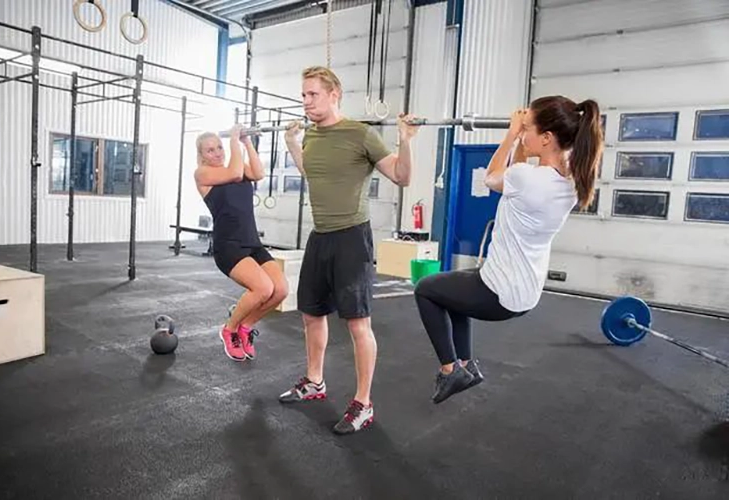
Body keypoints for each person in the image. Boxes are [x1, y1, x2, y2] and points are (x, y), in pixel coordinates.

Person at [414, 96, 603, 404]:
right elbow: (516, 179)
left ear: (546, 138)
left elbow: (492, 177)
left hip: (498, 292)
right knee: (451, 292)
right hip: (525, 291)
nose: (523, 131)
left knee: (425, 289)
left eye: (528, 128)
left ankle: (450, 370)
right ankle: (466, 365)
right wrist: (523, 139)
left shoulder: (528, 178)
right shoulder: (570, 180)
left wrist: (511, 134)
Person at [280, 66, 421, 434]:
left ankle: (363, 403)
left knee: (358, 324)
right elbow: (312, 172)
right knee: (311, 314)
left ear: (334, 94)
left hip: (351, 238)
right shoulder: (311, 136)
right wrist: (293, 143)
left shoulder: (361, 134)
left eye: (312, 94)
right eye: (303, 95)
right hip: (320, 235)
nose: (306, 101)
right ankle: (315, 381)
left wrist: (406, 140)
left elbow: (402, 177)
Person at [194, 125, 288, 362]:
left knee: (280, 291)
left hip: (252, 242)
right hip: (229, 246)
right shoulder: (203, 174)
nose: (217, 153)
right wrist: (235, 140)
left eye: (219, 147)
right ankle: (229, 330)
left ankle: (245, 328)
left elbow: (258, 173)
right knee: (263, 289)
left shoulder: (234, 167)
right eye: (210, 150)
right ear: (202, 155)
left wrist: (246, 142)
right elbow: (235, 174)